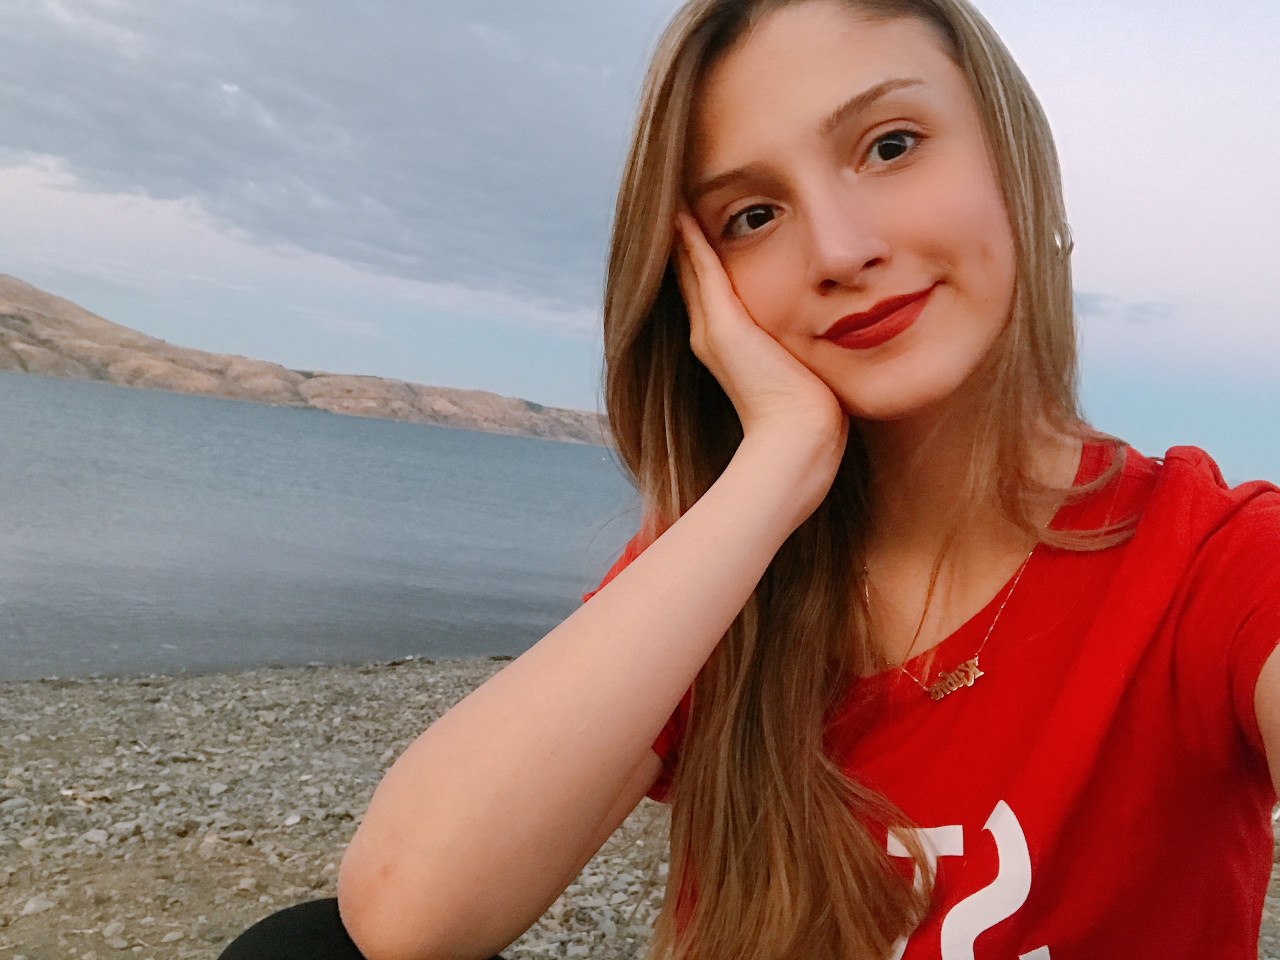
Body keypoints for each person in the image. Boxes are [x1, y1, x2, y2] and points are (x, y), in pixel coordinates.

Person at [220, 1, 1280, 958]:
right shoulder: (728, 566)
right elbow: (406, 912)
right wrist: (777, 463)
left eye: (890, 145)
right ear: (701, 287)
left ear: (1013, 159)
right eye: (752, 216)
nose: (839, 249)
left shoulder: (1213, 561)